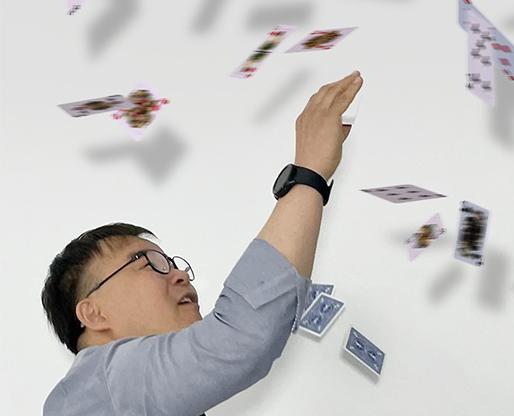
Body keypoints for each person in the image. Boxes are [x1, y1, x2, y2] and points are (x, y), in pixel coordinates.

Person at [41, 70, 364, 416]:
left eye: (173, 264)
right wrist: (309, 172)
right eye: (149, 264)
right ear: (93, 312)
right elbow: (240, 337)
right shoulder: (96, 386)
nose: (181, 276)